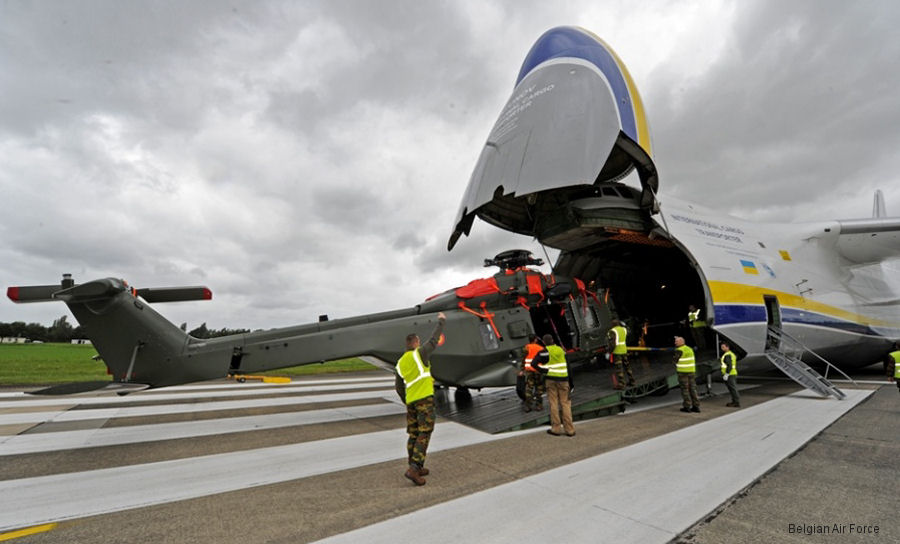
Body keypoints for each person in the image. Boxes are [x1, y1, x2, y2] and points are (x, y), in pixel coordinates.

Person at [395, 311, 446, 486]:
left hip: (411, 402)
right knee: (425, 433)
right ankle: (414, 469)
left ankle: (415, 464)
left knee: (414, 433)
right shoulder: (420, 354)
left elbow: (399, 387)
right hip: (424, 400)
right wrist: (441, 322)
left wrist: (407, 400)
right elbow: (433, 340)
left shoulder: (401, 362)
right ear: (416, 342)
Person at [534, 334, 576, 436]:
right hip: (563, 380)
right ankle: (570, 430)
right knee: (565, 404)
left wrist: (544, 370)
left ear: (544, 342)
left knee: (553, 404)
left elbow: (533, 364)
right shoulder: (561, 350)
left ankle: (556, 428)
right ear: (553, 340)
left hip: (551, 380)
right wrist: (571, 382)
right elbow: (568, 366)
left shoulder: (543, 352)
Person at [518, 335, 545, 412]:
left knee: (529, 387)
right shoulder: (540, 348)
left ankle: (528, 405)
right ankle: (539, 405)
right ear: (535, 340)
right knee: (539, 387)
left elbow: (523, 359)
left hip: (529, 370)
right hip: (538, 370)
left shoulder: (526, 348)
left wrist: (522, 370)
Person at [674, 336, 700, 413]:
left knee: (685, 390)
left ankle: (687, 406)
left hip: (683, 373)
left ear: (681, 342)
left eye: (676, 341)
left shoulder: (679, 350)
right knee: (693, 389)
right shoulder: (689, 349)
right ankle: (696, 406)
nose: (675, 343)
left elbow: (674, 360)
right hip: (691, 371)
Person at [607, 319, 634, 389]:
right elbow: (629, 331)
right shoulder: (624, 329)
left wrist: (609, 352)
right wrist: (624, 325)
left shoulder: (612, 331)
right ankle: (632, 381)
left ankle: (622, 384)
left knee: (619, 368)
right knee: (627, 366)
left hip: (617, 352)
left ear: (612, 325)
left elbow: (613, 344)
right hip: (624, 351)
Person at [720, 341, 740, 407]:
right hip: (732, 373)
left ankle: (736, 402)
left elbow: (729, 365)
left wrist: (726, 374)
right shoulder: (732, 354)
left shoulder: (727, 355)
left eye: (723, 347)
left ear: (727, 347)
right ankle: (735, 401)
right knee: (733, 388)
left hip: (730, 374)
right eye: (721, 347)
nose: (722, 348)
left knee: (733, 389)